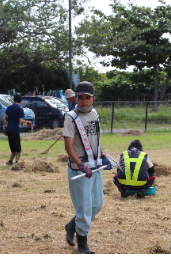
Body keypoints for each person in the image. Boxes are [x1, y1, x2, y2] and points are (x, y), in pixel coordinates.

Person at [63, 81, 113, 254]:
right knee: (84, 207)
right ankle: (82, 243)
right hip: (80, 170)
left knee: (97, 204)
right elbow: (68, 146)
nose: (84, 101)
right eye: (80, 97)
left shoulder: (95, 114)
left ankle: (72, 225)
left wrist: (103, 157)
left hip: (96, 167)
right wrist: (80, 164)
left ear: (93, 98)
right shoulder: (70, 117)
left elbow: (95, 140)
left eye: (87, 97)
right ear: (75, 98)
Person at [2, 93, 32, 165]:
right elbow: (21, 121)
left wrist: (6, 126)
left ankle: (10, 161)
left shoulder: (9, 107)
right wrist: (28, 122)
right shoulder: (20, 109)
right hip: (15, 130)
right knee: (18, 149)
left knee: (13, 148)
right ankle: (17, 162)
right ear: (21, 100)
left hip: (9, 130)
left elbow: (3, 118)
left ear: (14, 99)